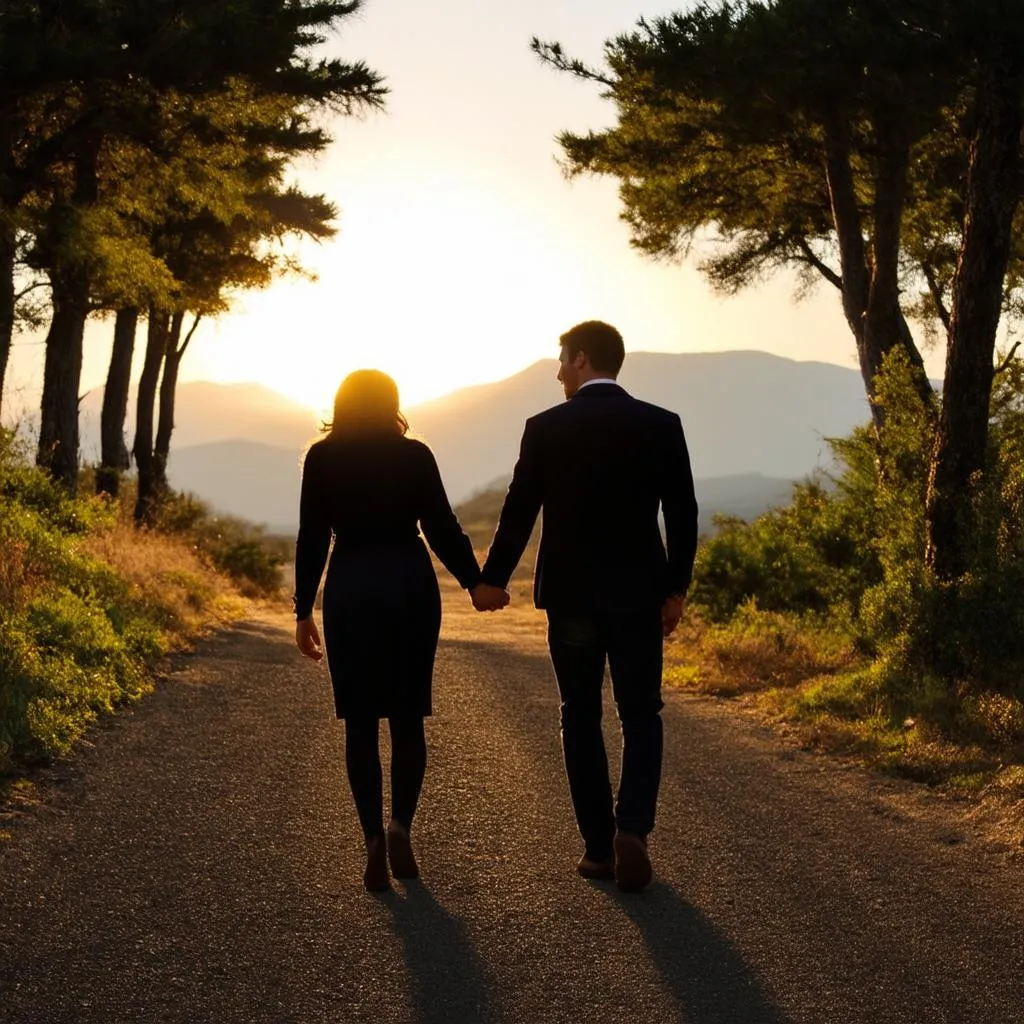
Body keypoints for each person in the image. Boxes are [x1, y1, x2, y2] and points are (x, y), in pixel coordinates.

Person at [473, 321, 699, 892]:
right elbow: (683, 514)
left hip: (572, 597)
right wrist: (675, 589)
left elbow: (519, 508)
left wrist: (492, 581)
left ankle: (599, 849)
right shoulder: (660, 424)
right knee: (642, 713)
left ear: (579, 359)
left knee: (580, 713)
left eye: (560, 361)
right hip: (639, 597)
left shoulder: (546, 427)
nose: (556, 373)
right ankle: (633, 831)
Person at [293, 370, 508, 891]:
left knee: (360, 722)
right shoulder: (415, 455)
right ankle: (400, 827)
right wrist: (474, 583)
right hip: (409, 584)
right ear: (393, 402)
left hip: (350, 585)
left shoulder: (322, 457)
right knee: (409, 715)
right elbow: (441, 525)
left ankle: (370, 839)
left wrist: (304, 609)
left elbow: (312, 537)